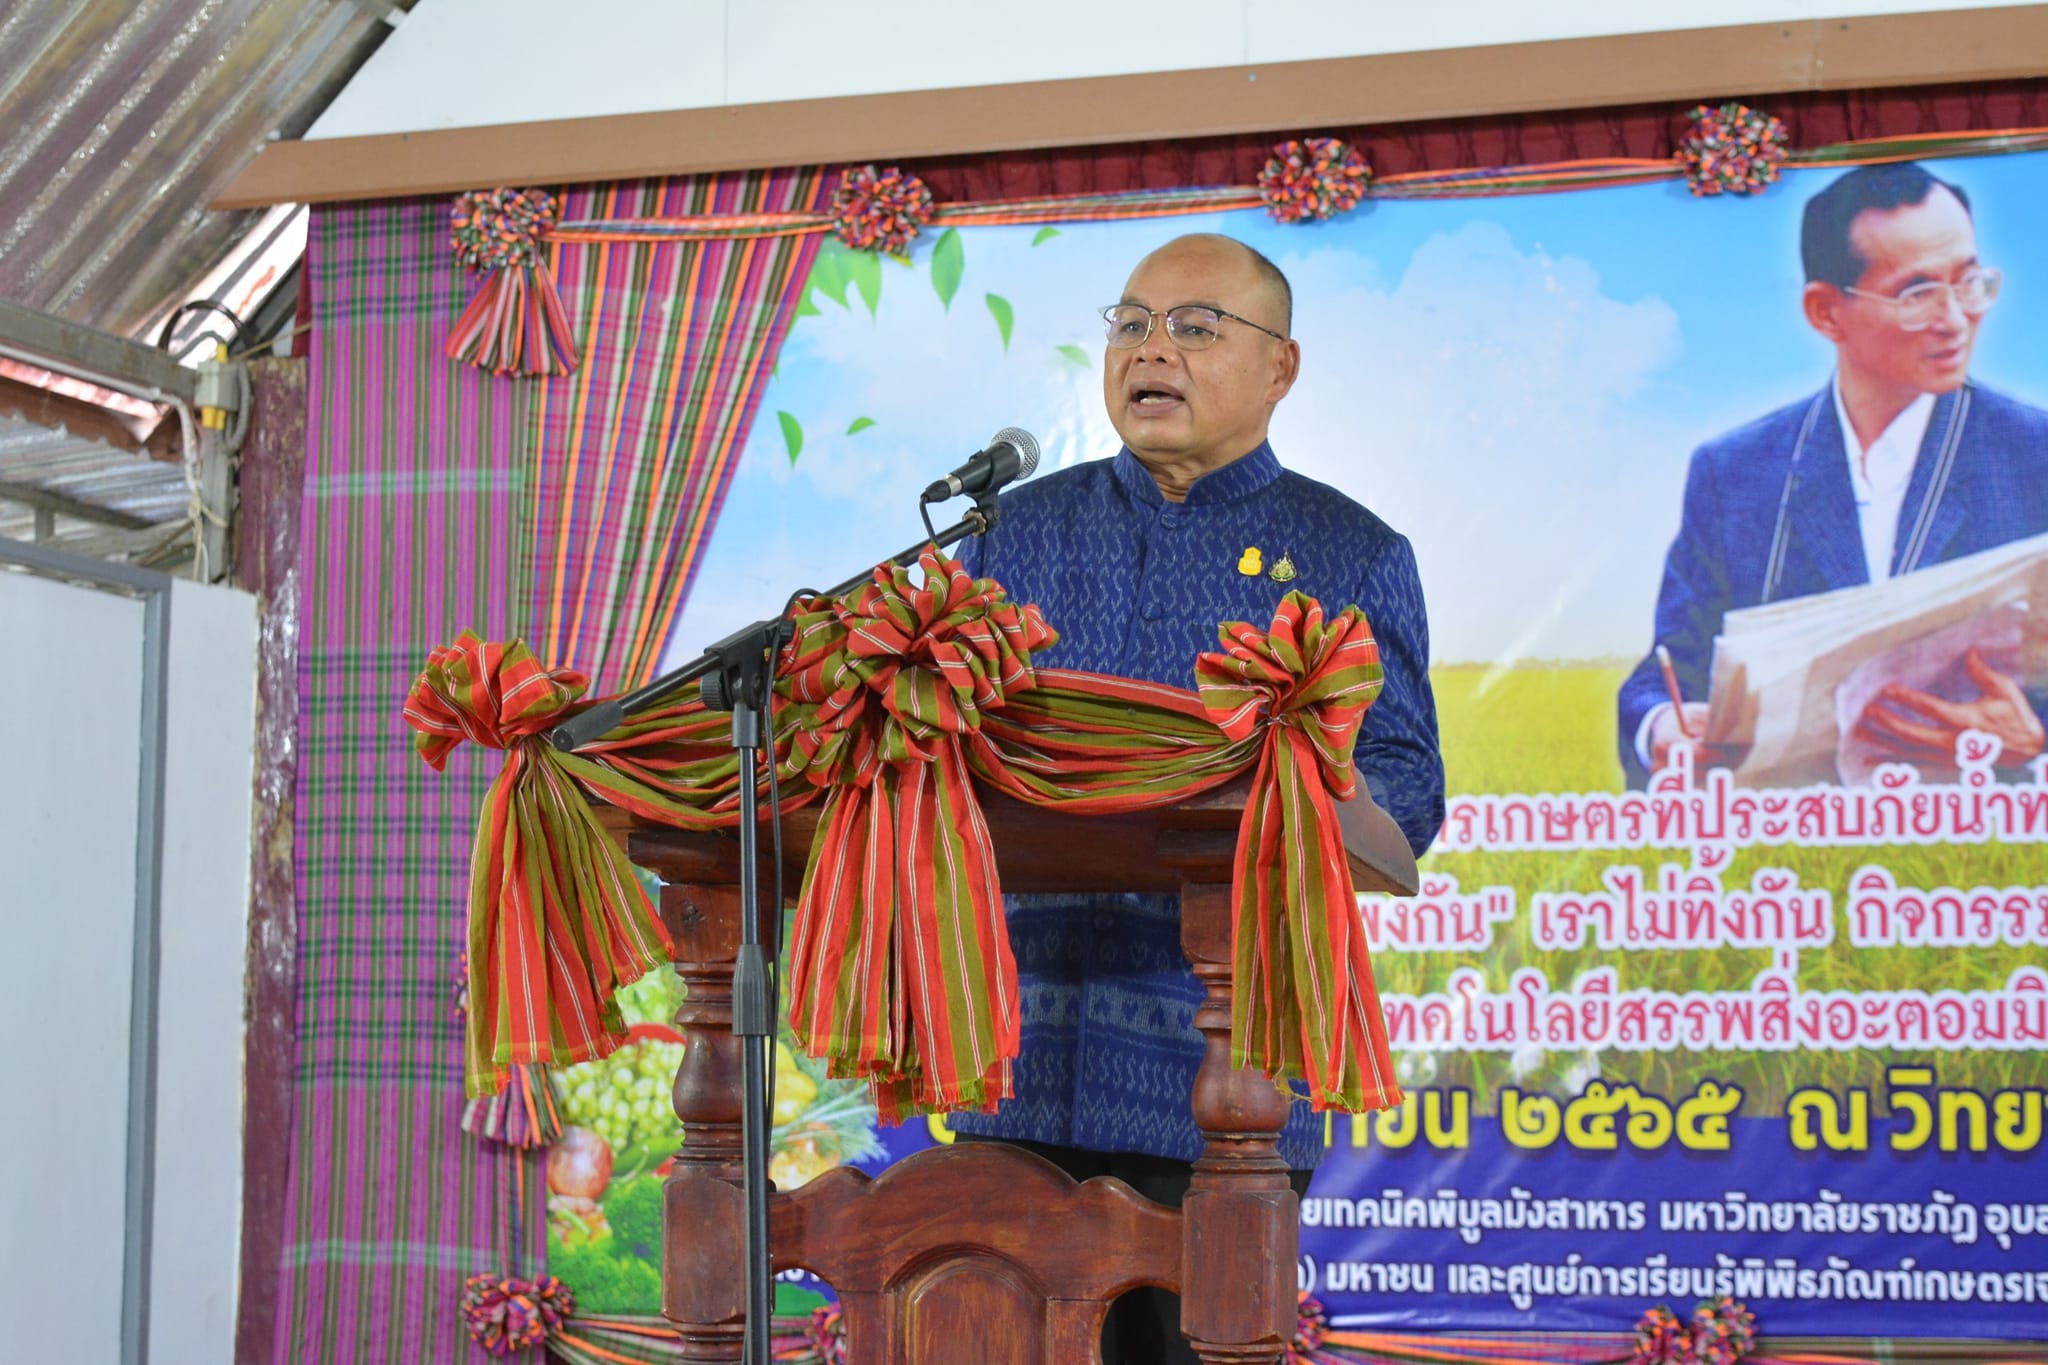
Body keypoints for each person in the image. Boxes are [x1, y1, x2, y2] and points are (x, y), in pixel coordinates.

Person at [952, 233, 1445, 1363]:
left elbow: (1409, 784)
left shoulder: (1350, 552)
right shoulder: (1011, 536)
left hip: (1223, 1079)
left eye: (1194, 328)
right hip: (1013, 1058)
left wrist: (1297, 786)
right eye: (1129, 324)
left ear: (1280, 368)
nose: (1151, 350)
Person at [1618, 162, 2048, 786]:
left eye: (1969, 282)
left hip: (1992, 838)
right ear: (1825, 312)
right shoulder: (1736, 474)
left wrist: (2034, 745)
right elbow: (1669, 671)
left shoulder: (2033, 456)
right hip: (1797, 839)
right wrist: (1663, 728)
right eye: (1917, 294)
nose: (1956, 319)